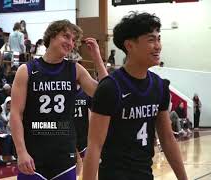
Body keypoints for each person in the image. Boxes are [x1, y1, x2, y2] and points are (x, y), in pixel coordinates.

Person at [82, 12, 188, 180]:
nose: (158, 46)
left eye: (158, 39)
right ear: (130, 46)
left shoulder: (160, 86)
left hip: (146, 174)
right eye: (151, 40)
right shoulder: (110, 87)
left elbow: (167, 139)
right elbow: (95, 145)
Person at [10, 19, 107, 180]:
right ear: (52, 36)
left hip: (64, 154)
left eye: (73, 40)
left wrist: (97, 57)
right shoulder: (26, 70)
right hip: (33, 153)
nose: (70, 43)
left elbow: (104, 94)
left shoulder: (74, 69)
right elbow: (15, 114)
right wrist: (21, 152)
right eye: (66, 36)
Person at [73, 86, 91, 176]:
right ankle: (76, 176)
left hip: (83, 134)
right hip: (68, 133)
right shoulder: (65, 92)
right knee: (74, 159)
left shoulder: (85, 93)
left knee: (86, 160)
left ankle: (79, 176)